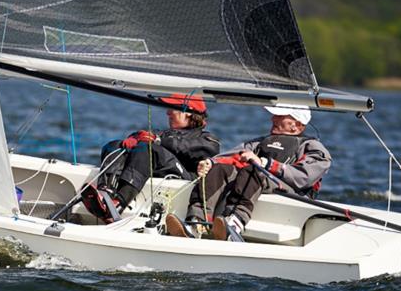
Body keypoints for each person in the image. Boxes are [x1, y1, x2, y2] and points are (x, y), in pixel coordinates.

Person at [166, 105, 331, 241]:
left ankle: (234, 222)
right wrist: (211, 162)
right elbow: (232, 155)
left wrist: (266, 164)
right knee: (220, 168)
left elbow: (304, 177)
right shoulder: (260, 142)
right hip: (257, 180)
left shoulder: (312, 148)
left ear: (297, 125)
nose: (273, 119)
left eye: (280, 117)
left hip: (288, 189)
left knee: (254, 170)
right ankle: (196, 222)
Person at [82, 93, 220, 223]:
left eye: (173, 108)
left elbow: (183, 146)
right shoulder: (165, 133)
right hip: (160, 168)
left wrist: (156, 139)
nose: (167, 112)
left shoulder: (208, 139)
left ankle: (119, 204)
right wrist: (134, 138)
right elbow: (147, 136)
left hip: (184, 179)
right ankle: (105, 192)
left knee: (147, 148)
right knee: (115, 145)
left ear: (189, 112)